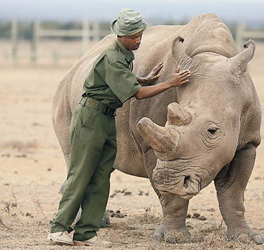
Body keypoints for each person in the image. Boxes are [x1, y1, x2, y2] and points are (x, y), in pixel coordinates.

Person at [48, 9, 191, 247]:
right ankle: (59, 228)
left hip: (106, 118)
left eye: (140, 35)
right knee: (81, 175)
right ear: (120, 35)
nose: (139, 40)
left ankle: (86, 233)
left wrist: (146, 79)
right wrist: (170, 83)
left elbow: (122, 82)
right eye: (134, 36)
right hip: (90, 118)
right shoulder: (112, 57)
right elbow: (138, 95)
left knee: (102, 177)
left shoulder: (124, 54)